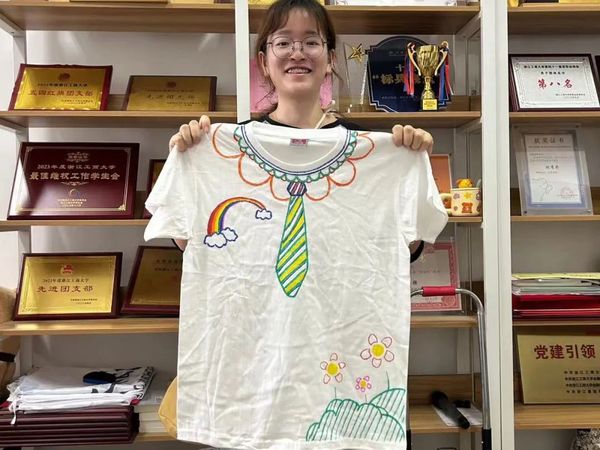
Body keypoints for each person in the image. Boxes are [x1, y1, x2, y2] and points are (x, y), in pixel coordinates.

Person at [168, 0, 433, 259]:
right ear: (264, 62)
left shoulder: (367, 150)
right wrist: (185, 160)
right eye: (283, 43)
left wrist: (413, 165)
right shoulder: (232, 150)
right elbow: (189, 244)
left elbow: (408, 249)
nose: (297, 53)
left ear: (330, 60)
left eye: (311, 42)